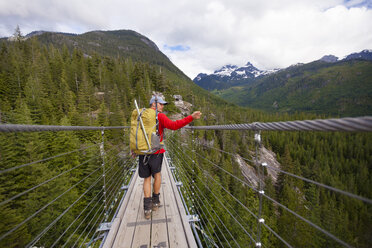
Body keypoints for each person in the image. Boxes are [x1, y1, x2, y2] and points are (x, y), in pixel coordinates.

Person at [136, 95, 201, 219]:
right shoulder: (159, 116)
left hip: (143, 151)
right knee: (157, 175)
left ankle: (147, 209)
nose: (162, 107)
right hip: (156, 151)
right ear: (154, 104)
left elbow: (135, 133)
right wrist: (191, 117)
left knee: (147, 179)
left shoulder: (141, 115)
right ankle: (155, 202)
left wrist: (134, 150)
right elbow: (174, 125)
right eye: (161, 104)